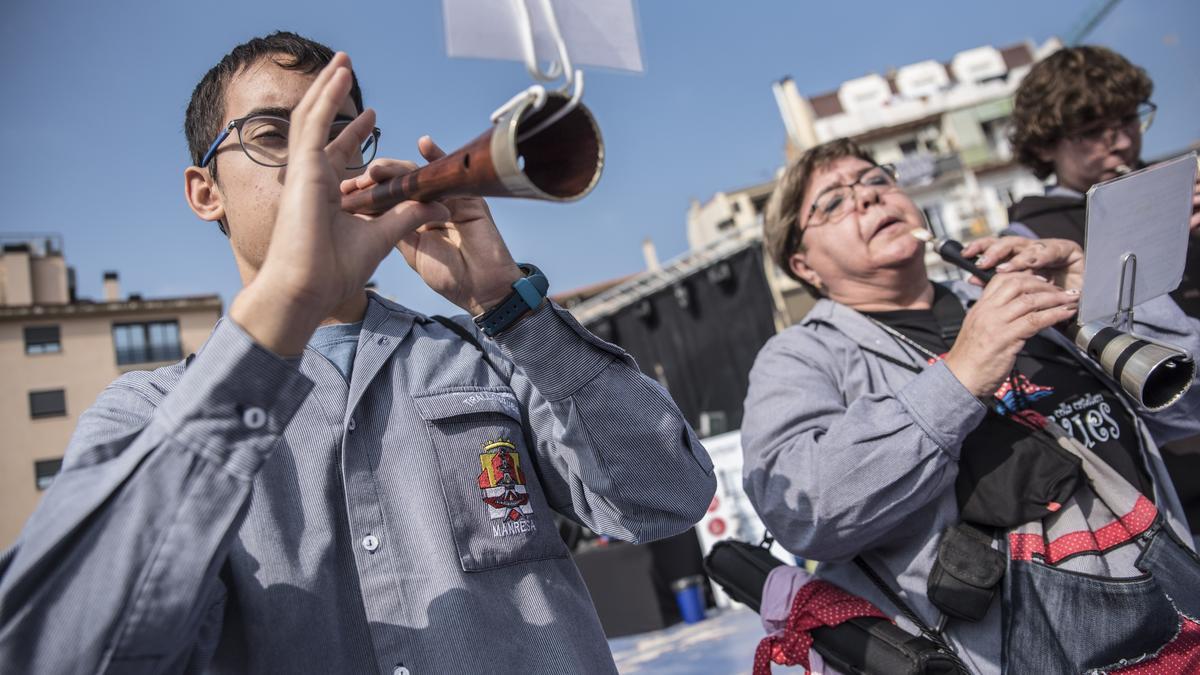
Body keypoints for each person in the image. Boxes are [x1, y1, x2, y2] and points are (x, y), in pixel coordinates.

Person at [0, 32, 716, 674]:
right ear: (204, 192)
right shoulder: (147, 414)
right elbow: (59, 648)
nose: (318, 156)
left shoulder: (489, 354)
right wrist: (285, 303)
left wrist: (512, 309)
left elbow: (668, 497)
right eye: (274, 133)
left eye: (340, 131)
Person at [743, 138, 1200, 673]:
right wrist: (958, 379)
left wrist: (1096, 294)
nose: (866, 199)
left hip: (1178, 619)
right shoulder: (799, 356)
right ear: (804, 264)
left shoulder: (1005, 289)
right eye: (832, 203)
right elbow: (803, 508)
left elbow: (1186, 408)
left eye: (876, 180)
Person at [1007, 44, 1200, 535]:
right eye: (1093, 131)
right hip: (1172, 470)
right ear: (1045, 144)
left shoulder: (1174, 186)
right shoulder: (1030, 237)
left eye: (1129, 119)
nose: (1118, 141)